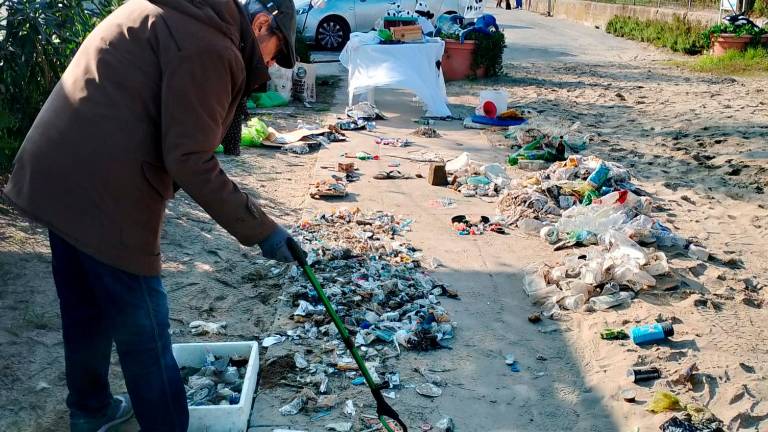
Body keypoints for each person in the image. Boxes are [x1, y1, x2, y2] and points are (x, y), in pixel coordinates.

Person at [2, 0, 299, 430]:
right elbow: (190, 159)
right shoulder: (210, 46)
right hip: (103, 188)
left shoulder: (166, 9)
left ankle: (90, 411)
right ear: (260, 25)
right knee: (146, 332)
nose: (270, 64)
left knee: (85, 306)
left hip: (55, 174)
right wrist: (264, 231)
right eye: (276, 51)